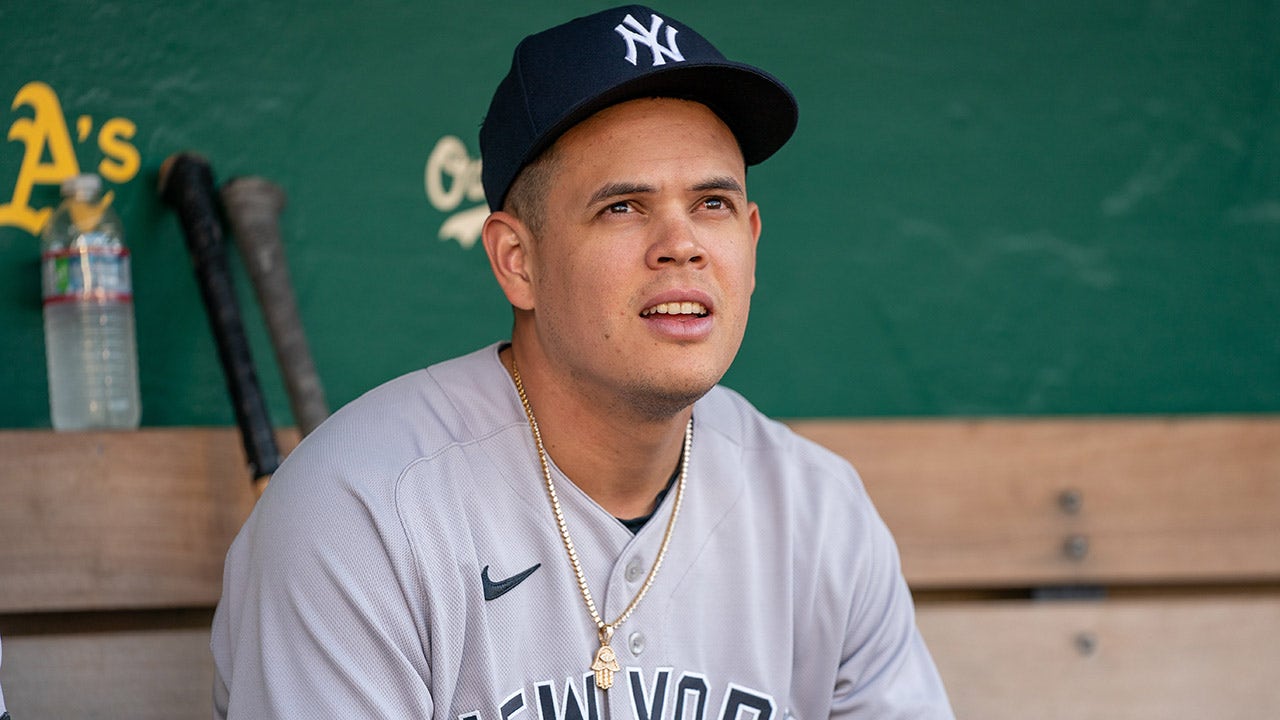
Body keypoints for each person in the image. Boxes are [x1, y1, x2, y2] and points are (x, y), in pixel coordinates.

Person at [211, 5, 954, 719]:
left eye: (713, 204)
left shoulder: (820, 515)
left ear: (751, 241)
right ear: (517, 260)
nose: (682, 245)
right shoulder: (362, 515)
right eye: (622, 206)